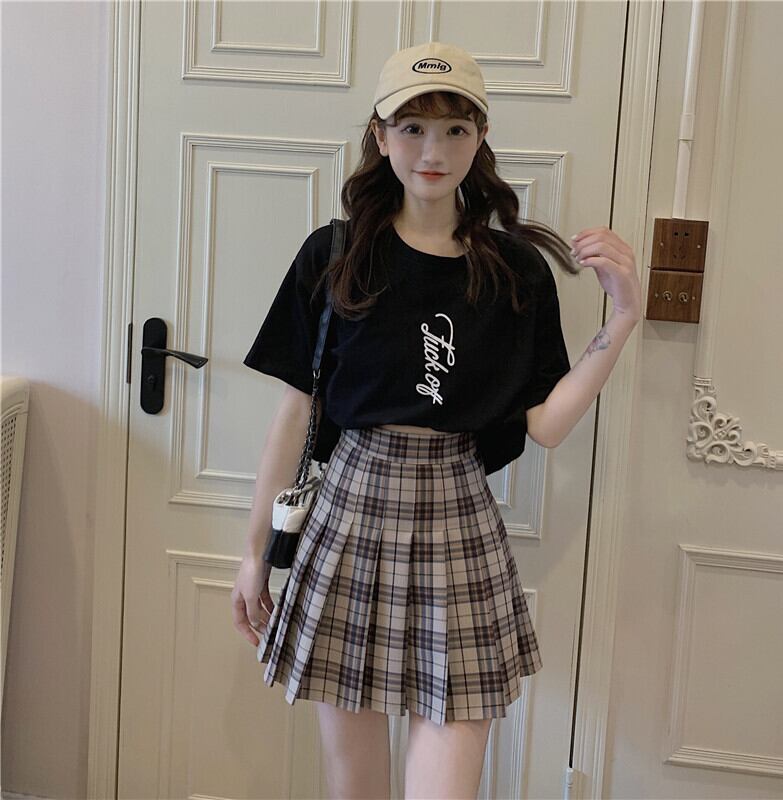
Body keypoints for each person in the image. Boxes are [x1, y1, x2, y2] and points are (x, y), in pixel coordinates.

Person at [231, 41, 642, 800]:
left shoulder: (513, 268)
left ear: (481, 138)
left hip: (459, 523)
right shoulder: (335, 254)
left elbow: (546, 425)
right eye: (413, 127)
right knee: (355, 786)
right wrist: (254, 553)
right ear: (380, 135)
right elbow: (294, 411)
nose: (434, 150)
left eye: (456, 129)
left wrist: (621, 320)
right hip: (347, 517)